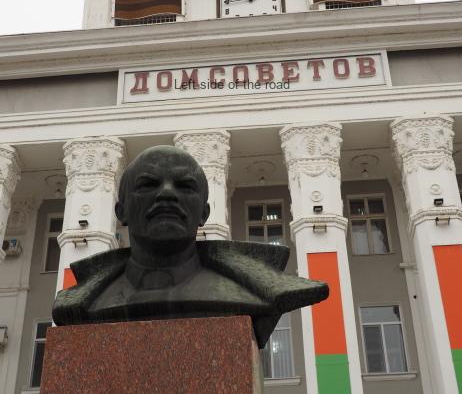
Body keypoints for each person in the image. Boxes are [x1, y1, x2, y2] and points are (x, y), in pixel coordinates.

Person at [53, 145, 328, 348]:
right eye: (148, 184)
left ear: (204, 214)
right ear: (120, 212)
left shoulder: (256, 292)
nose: (167, 193)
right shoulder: (79, 302)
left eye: (185, 186)